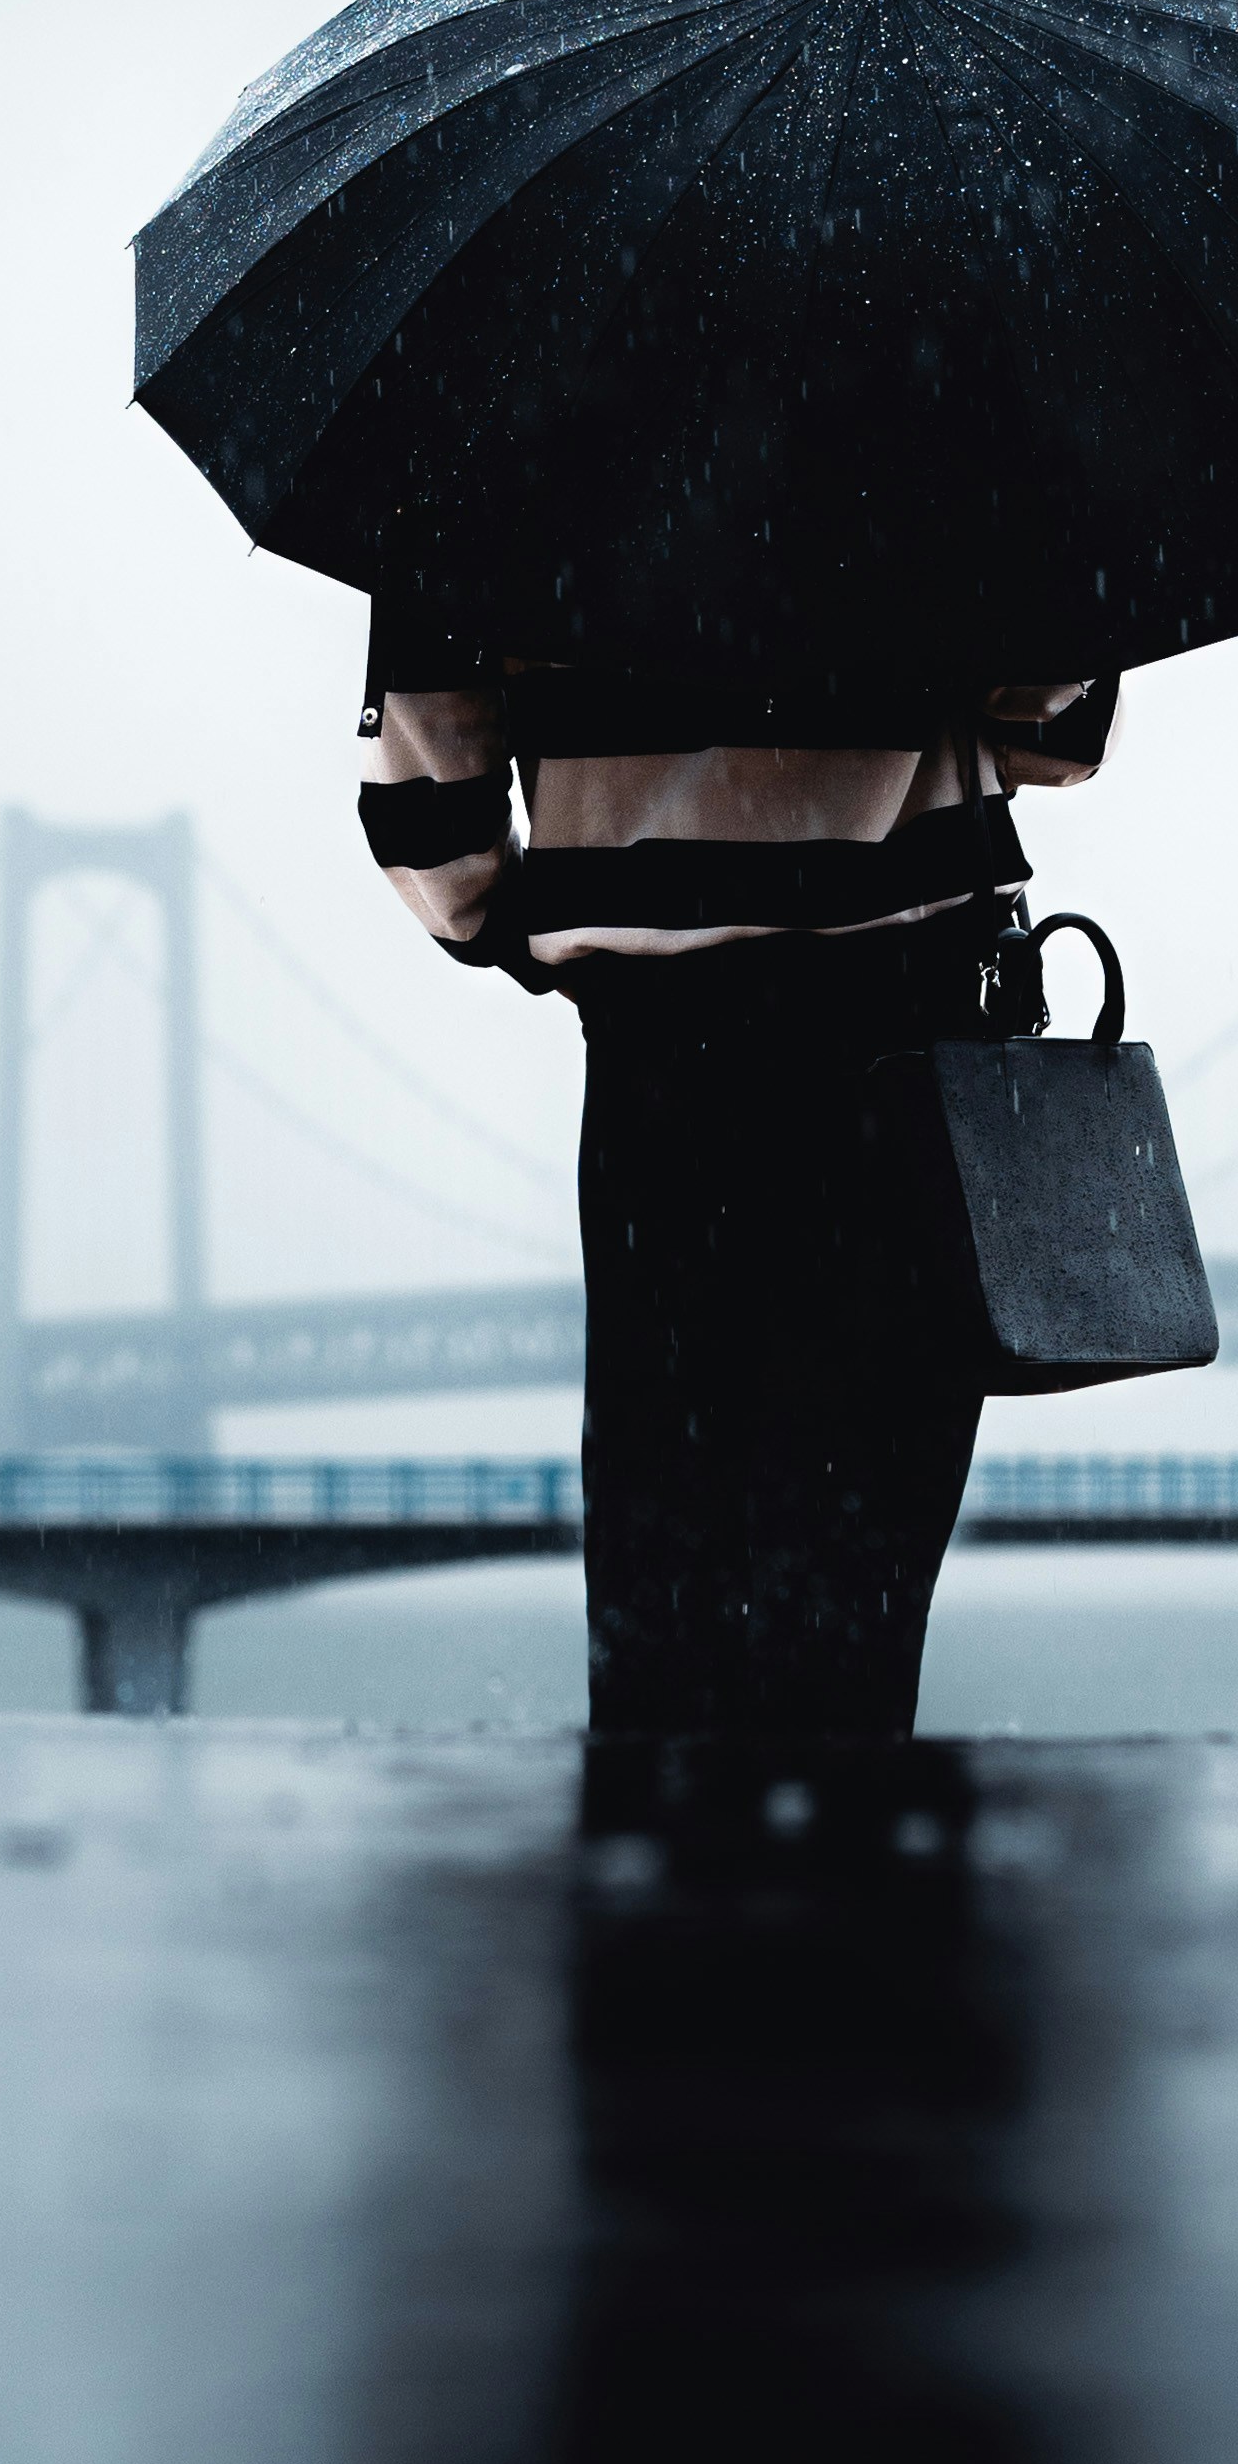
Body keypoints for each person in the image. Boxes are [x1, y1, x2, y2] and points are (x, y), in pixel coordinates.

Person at [356, 617, 1118, 1736]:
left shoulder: (484, 447)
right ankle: (839, 1878)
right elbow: (1053, 731)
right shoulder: (946, 442)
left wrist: (548, 919)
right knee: (853, 1609)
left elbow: (431, 813)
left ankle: (665, 1887)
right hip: (903, 1054)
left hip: (659, 1071)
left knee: (666, 1600)